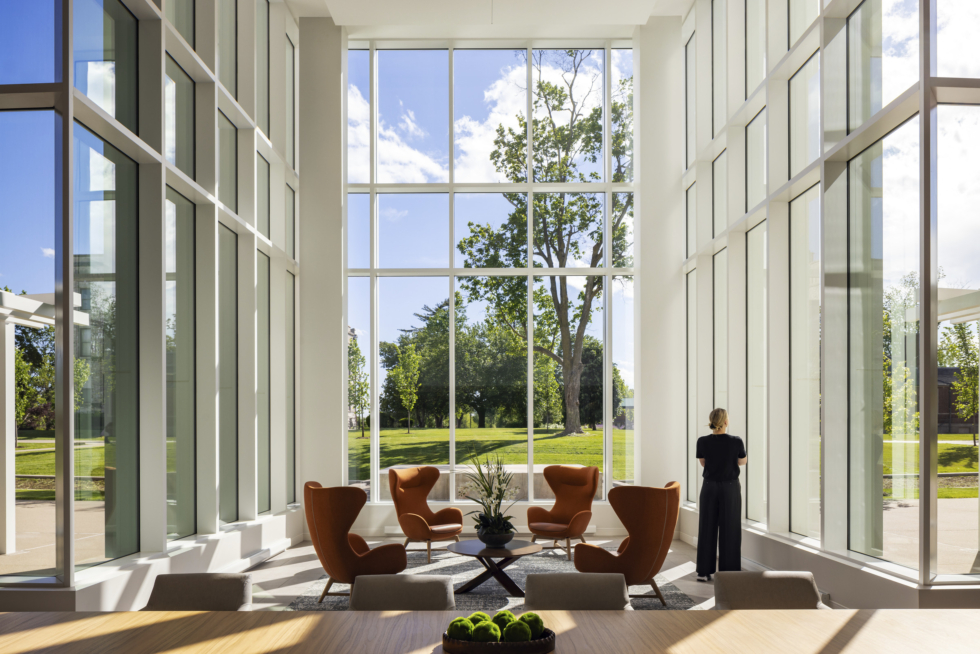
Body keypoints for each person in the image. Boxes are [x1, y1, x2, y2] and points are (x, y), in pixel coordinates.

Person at [694, 408, 746, 582]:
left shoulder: (702, 441)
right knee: (730, 528)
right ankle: (728, 574)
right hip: (730, 488)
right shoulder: (736, 441)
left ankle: (703, 572)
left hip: (709, 487)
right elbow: (742, 461)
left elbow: (703, 463)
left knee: (707, 527)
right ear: (725, 422)